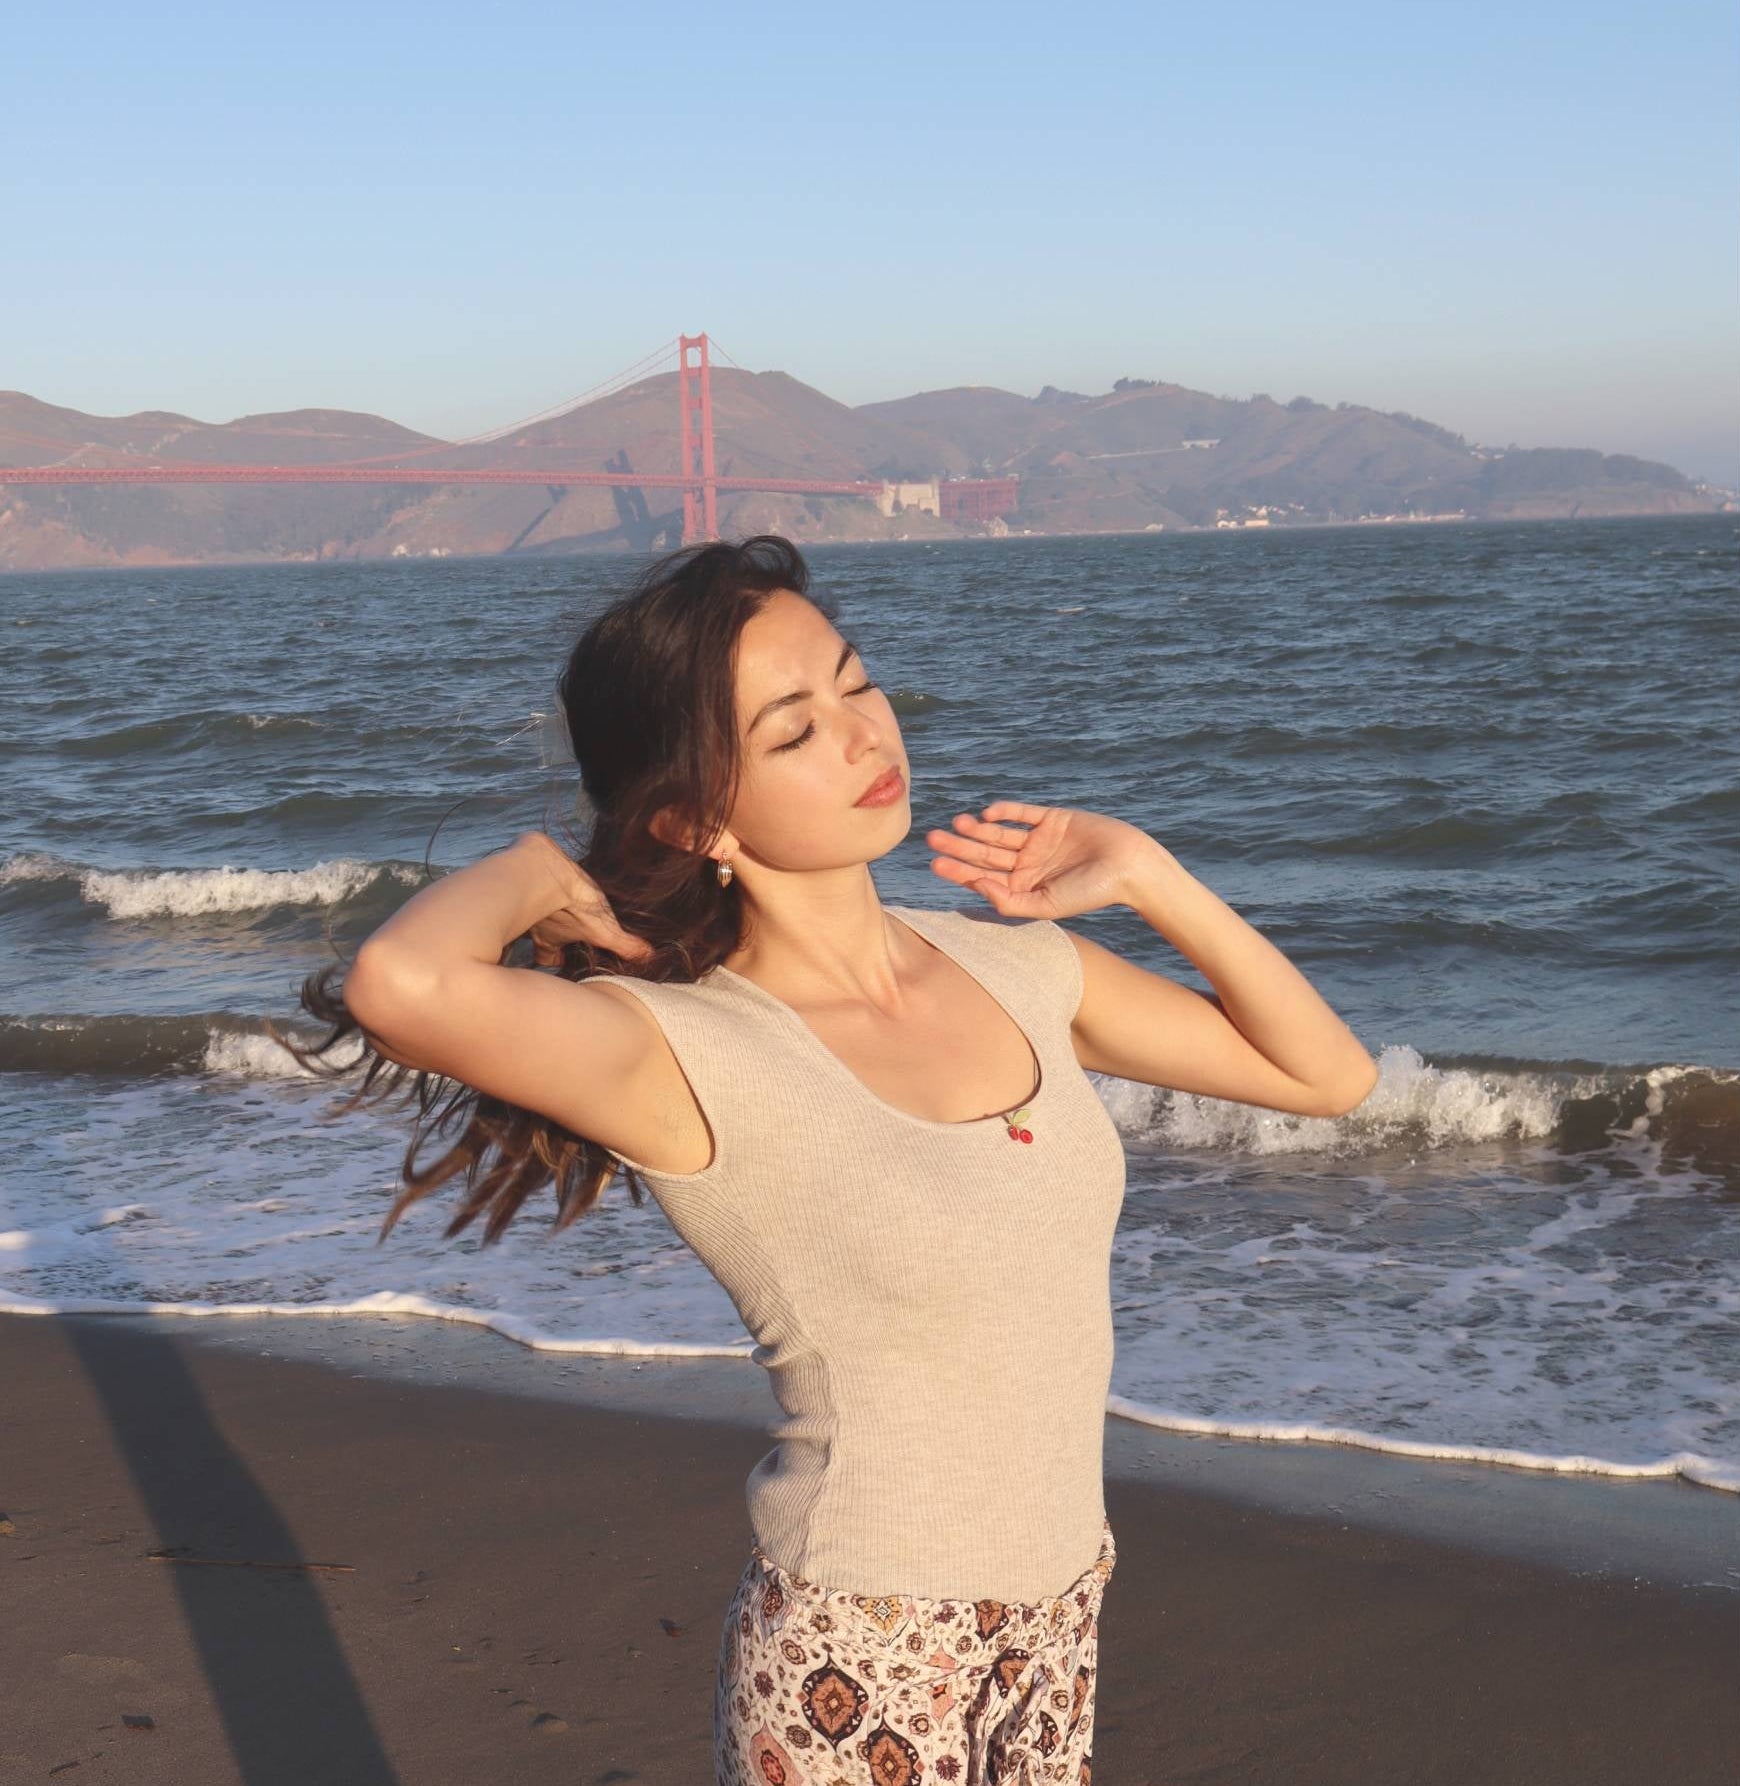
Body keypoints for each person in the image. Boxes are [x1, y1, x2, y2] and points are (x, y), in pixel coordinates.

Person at [288, 532, 1378, 1783]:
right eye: (795, 730)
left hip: (1059, 1611)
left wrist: (1147, 872)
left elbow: (1325, 1076)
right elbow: (400, 982)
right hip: (859, 1644)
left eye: (857, 684)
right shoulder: (684, 1050)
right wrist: (541, 872)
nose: (867, 735)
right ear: (696, 815)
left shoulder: (1017, 967)